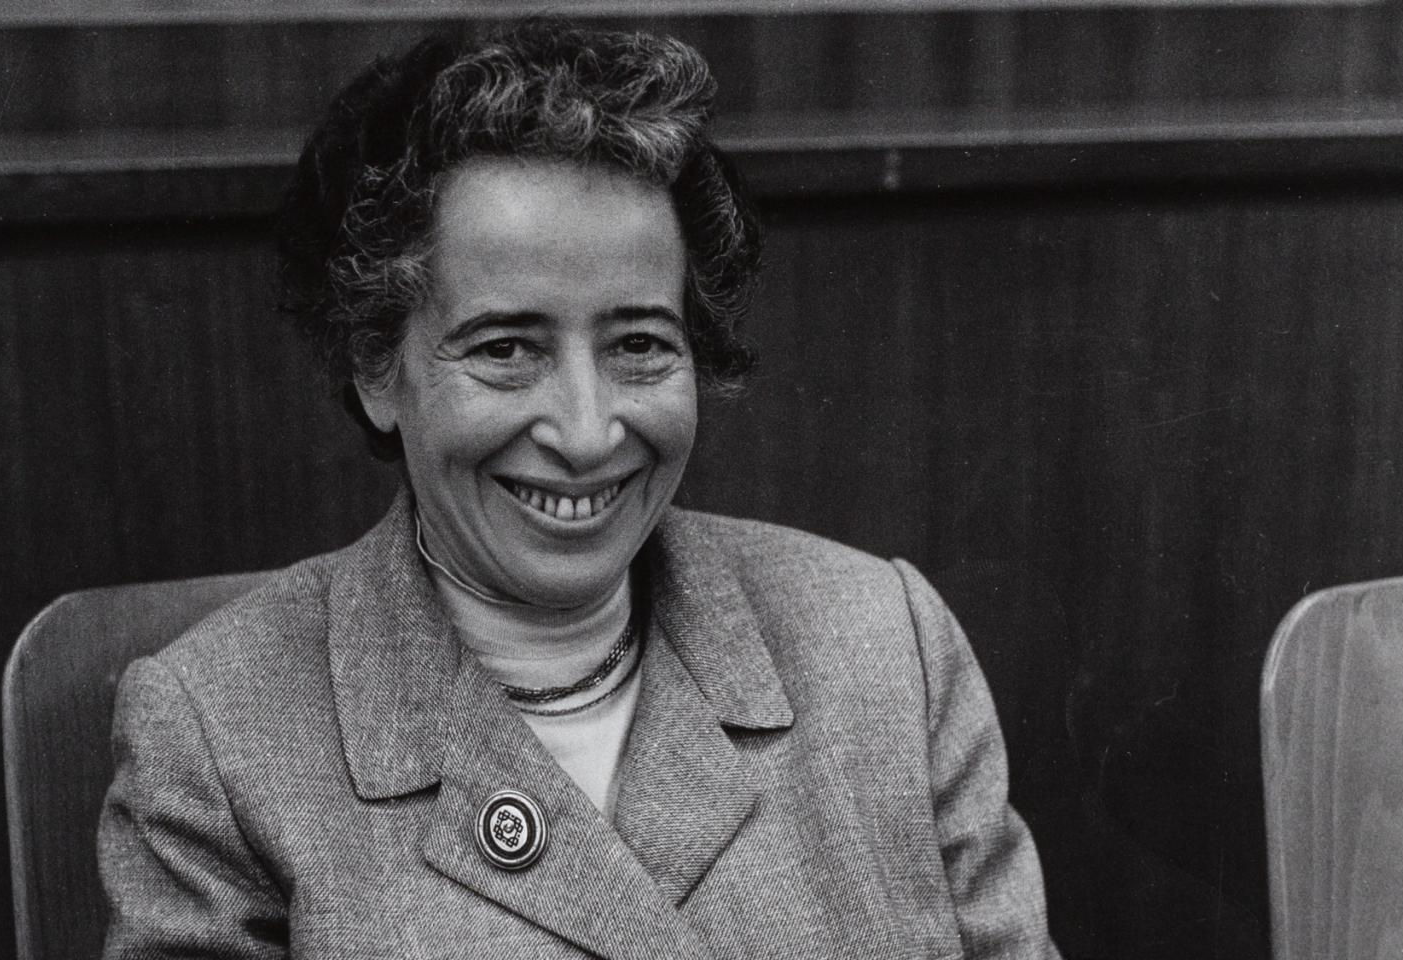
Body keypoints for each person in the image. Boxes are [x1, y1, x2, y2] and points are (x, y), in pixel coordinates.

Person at [98, 21, 1060, 960]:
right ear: (376, 368)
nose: (588, 432)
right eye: (506, 349)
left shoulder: (887, 650)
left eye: (639, 344)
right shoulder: (218, 737)